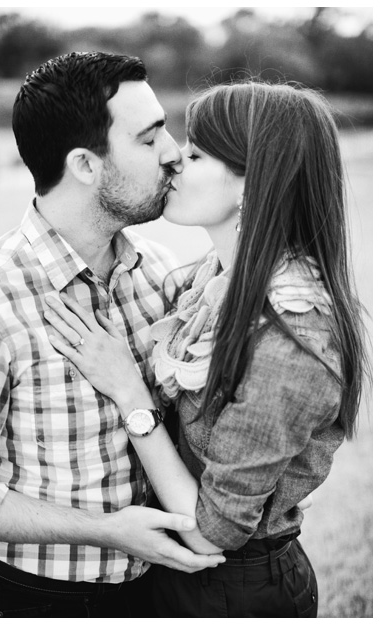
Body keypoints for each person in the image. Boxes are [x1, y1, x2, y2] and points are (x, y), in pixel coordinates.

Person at [45, 81, 369, 617]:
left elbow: (213, 533)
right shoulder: (207, 284)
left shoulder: (293, 335)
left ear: (252, 181)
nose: (172, 159)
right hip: (175, 580)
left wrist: (130, 394)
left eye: (195, 153)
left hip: (234, 593)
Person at [0, 51, 224, 619]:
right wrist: (109, 532)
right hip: (38, 598)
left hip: (160, 587)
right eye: (151, 137)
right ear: (85, 164)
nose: (174, 153)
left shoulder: (160, 269)